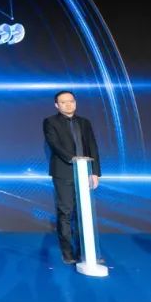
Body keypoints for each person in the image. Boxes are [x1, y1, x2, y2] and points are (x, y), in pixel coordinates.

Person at [43, 90, 101, 264]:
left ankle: (86, 251)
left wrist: (95, 172)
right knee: (66, 212)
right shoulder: (50, 122)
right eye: (63, 102)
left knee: (84, 213)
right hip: (64, 172)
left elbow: (92, 147)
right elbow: (54, 144)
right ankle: (68, 252)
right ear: (57, 105)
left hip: (85, 172)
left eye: (71, 101)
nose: (68, 104)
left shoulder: (84, 122)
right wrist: (74, 159)